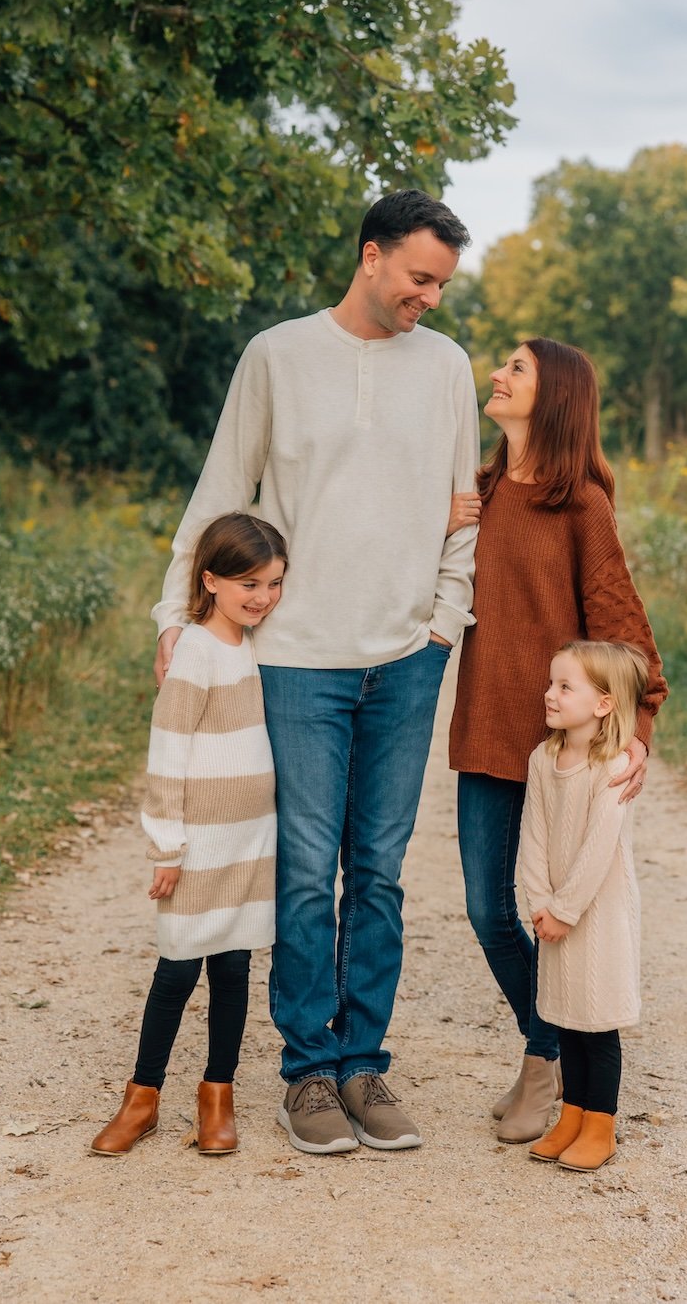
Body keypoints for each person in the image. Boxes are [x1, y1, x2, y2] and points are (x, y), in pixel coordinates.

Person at [152, 191, 479, 1154]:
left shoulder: (448, 366)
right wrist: (178, 611)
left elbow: (464, 508)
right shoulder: (277, 355)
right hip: (295, 661)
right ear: (371, 256)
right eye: (420, 277)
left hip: (405, 661)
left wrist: (443, 627)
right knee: (303, 873)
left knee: (376, 873)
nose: (430, 297)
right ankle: (307, 1074)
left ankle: (364, 1064)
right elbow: (223, 487)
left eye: (443, 284)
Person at [448, 337, 667, 1143]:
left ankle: (559, 1069)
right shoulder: (481, 492)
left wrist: (634, 729)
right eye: (502, 364)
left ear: (556, 398)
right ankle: (549, 1047)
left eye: (517, 368)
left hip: (562, 754)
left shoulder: (582, 506)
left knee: (555, 908)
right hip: (485, 729)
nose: (497, 376)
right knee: (486, 909)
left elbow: (626, 636)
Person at [91, 513, 287, 1158]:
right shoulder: (195, 652)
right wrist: (167, 847)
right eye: (247, 584)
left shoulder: (257, 645)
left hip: (251, 839)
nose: (260, 597)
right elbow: (168, 753)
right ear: (209, 579)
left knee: (233, 969)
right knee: (177, 969)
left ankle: (217, 1097)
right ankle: (142, 1096)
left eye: (273, 583)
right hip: (199, 843)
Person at [521, 640, 649, 1171]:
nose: (550, 694)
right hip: (555, 915)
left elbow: (599, 849)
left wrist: (566, 910)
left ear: (603, 703)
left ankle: (601, 1123)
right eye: (552, 683)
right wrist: (538, 904)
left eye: (564, 687)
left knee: (597, 1023)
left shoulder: (613, 765)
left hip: (597, 917)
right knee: (567, 1019)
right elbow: (533, 835)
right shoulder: (544, 757)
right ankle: (571, 1113)